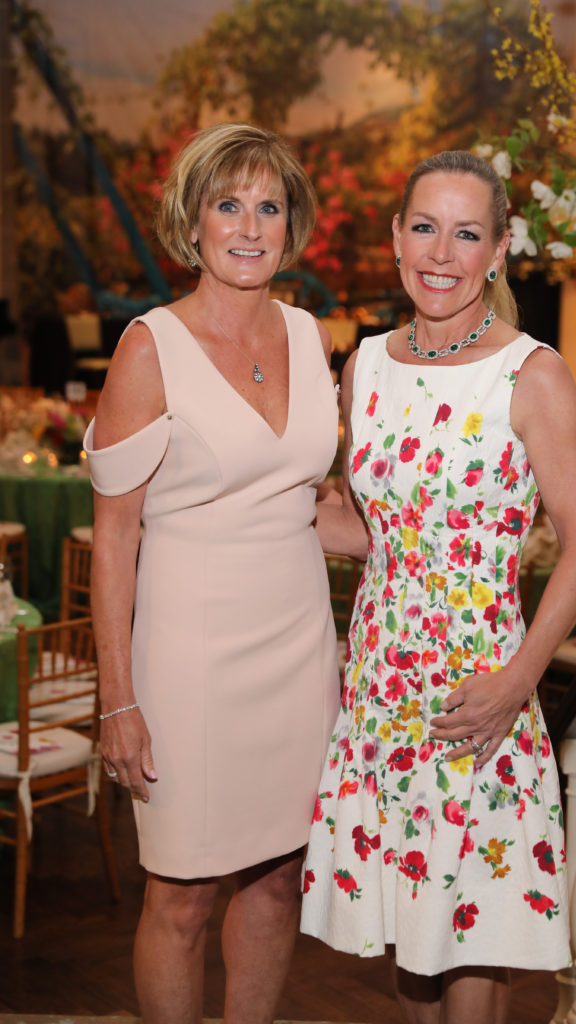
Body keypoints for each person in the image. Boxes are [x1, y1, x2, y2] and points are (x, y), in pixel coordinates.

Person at [300, 150, 576, 1023]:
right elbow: (381, 531)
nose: (441, 253)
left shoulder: (531, 372)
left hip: (480, 691)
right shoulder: (363, 366)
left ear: (498, 249)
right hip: (380, 691)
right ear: (396, 238)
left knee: (471, 929)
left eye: (466, 234)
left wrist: (516, 683)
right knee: (409, 932)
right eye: (425, 228)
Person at [84, 123, 340, 1024]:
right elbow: (114, 535)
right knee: (182, 894)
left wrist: (440, 535)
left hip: (299, 648)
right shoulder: (149, 347)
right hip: (189, 659)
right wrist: (117, 699)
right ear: (192, 222)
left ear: (290, 226)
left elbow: (307, 503)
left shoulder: (309, 335)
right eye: (228, 204)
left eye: (269, 207)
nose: (249, 226)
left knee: (278, 878)